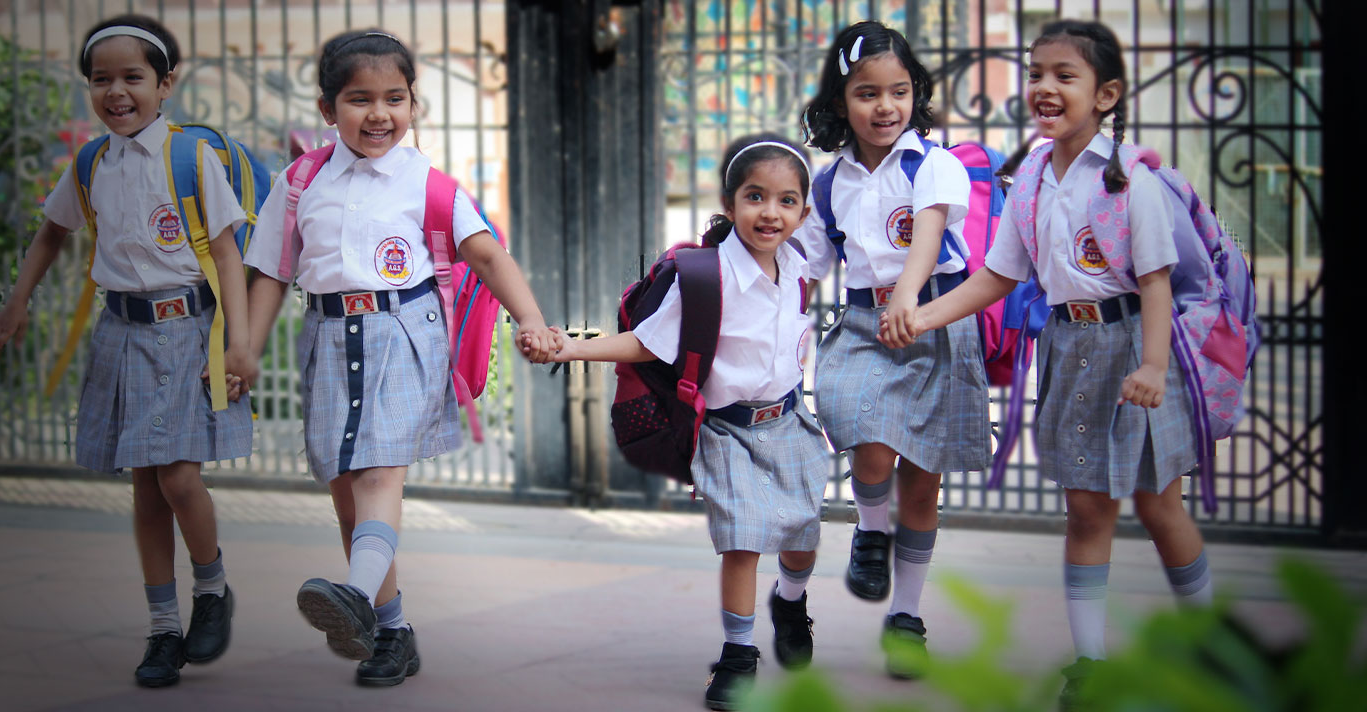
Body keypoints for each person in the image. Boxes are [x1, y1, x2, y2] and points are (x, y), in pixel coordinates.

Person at [898, 19, 1215, 709]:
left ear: (1106, 95)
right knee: (1085, 510)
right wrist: (923, 315)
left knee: (1159, 506)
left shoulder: (1131, 181)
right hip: (1069, 349)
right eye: (1036, 73)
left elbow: (1156, 282)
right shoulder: (1033, 177)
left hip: (1135, 345)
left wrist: (1154, 366)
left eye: (1064, 76)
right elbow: (998, 276)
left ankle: (1212, 646)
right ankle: (1090, 662)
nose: (1044, 87)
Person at [243, 28, 556, 687]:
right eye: (359, 99)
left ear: (413, 103)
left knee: (379, 479)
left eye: (395, 98)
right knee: (348, 500)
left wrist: (530, 319)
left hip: (403, 334)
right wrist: (243, 349)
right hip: (329, 339)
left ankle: (354, 596)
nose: (379, 114)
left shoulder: (428, 185)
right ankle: (391, 630)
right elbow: (271, 271)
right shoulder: (300, 182)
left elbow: (487, 255)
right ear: (328, 109)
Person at [0, 14, 252, 688]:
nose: (116, 92)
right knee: (145, 486)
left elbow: (226, 253)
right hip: (121, 331)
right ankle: (162, 630)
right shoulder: (91, 163)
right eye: (101, 80)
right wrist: (16, 302)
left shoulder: (188, 159)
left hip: (186, 331)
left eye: (133, 77)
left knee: (178, 478)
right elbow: (52, 233)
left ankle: (211, 587)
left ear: (165, 84)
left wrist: (237, 345)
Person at [550, 134, 829, 711]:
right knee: (742, 542)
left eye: (786, 201)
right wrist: (572, 348)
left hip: (788, 420)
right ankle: (738, 655)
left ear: (803, 214)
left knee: (802, 535)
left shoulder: (799, 263)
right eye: (755, 196)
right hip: (727, 429)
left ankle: (790, 601)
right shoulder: (704, 276)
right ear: (730, 203)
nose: (770, 213)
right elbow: (645, 344)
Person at [796, 20, 989, 677]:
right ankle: (871, 529)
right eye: (867, 93)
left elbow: (929, 234)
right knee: (865, 436)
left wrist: (908, 297)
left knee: (923, 482)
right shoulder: (829, 182)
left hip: (934, 320)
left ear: (915, 94)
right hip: (862, 325)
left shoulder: (932, 164)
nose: (885, 106)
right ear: (840, 100)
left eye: (899, 91)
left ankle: (906, 617)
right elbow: (807, 263)